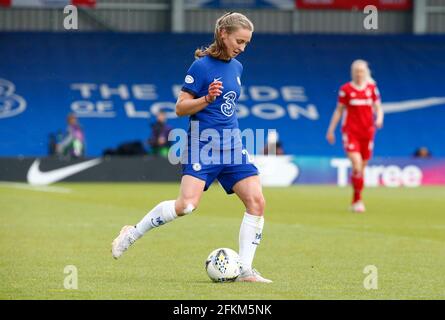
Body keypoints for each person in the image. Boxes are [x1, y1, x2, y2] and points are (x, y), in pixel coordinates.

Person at [111, 12, 271, 283]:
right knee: (186, 206)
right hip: (203, 144)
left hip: (232, 145)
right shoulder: (201, 67)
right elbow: (180, 107)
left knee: (256, 202)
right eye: (239, 41)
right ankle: (132, 232)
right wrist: (206, 98)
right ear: (224, 34)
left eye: (246, 43)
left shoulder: (237, 67)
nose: (242, 48)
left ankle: (245, 269)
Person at [326, 59, 384, 213]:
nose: (359, 74)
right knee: (357, 165)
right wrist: (331, 130)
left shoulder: (372, 89)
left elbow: (378, 107)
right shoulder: (346, 89)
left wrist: (379, 118)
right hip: (351, 132)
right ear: (353, 73)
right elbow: (339, 110)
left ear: (366, 72)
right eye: (356, 71)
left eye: (361, 71)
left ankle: (356, 198)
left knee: (361, 169)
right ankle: (358, 201)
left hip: (368, 132)